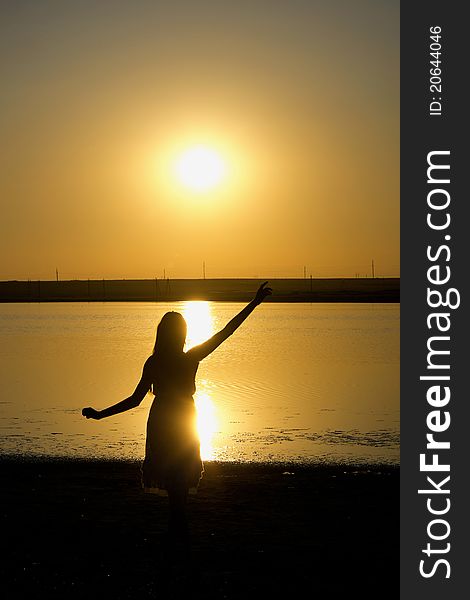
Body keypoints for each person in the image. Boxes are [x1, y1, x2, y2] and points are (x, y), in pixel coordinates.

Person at [82, 281, 272, 541]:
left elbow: (135, 400)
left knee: (175, 485)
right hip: (182, 420)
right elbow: (226, 333)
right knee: (179, 484)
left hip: (163, 419)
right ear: (181, 334)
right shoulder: (189, 358)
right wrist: (253, 303)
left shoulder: (156, 361)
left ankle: (177, 533)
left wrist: (100, 414)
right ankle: (179, 533)